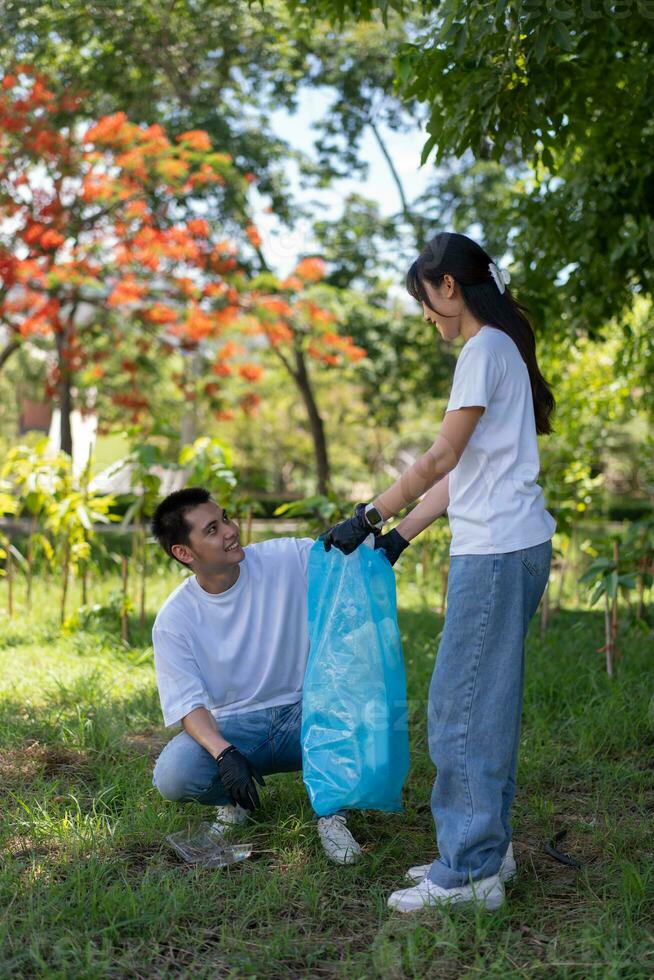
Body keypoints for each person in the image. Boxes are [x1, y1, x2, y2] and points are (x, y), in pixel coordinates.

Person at [321, 232, 556, 912]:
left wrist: (367, 516)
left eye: (424, 300)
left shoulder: (483, 350)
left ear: (447, 286)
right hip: (510, 546)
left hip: (496, 554)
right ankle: (486, 850)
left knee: (461, 709)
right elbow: (467, 475)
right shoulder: (500, 349)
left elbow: (440, 460)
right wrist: (397, 537)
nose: (426, 315)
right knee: (483, 705)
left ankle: (470, 873)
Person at [149, 487, 400, 865]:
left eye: (226, 519)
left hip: (307, 713)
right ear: (184, 553)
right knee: (173, 773)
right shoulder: (175, 619)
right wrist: (224, 753)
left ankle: (332, 813)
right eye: (212, 530)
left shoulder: (282, 558)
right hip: (238, 729)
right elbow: (187, 705)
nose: (230, 531)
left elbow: (336, 551)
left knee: (367, 709)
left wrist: (368, 522)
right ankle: (234, 802)